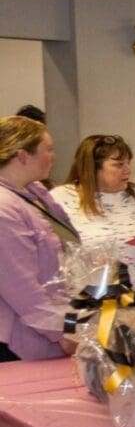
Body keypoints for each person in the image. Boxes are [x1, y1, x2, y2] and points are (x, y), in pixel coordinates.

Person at [54, 135, 135, 295]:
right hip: (86, 303)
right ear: (92, 168)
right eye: (119, 164)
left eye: (128, 163)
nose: (128, 169)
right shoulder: (62, 199)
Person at [0, 116, 75, 361]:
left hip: (56, 322)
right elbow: (20, 285)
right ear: (22, 155)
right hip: (21, 340)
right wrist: (62, 333)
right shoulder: (4, 206)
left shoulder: (36, 192)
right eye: (49, 149)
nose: (54, 156)